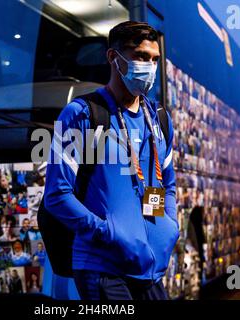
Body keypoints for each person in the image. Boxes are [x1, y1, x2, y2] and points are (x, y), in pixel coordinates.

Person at [44, 21, 178, 300]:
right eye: (140, 56)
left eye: (154, 59)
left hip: (149, 267)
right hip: (102, 269)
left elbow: (163, 185)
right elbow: (57, 196)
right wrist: (109, 233)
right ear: (113, 58)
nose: (149, 66)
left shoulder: (158, 119)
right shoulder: (82, 114)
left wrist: (164, 227)